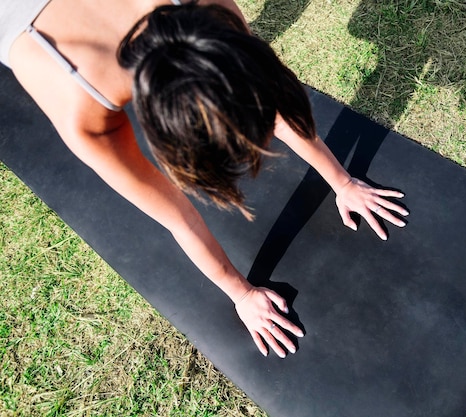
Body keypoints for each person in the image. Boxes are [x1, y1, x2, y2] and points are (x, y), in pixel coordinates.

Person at [3, 0, 408, 358]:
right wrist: (241, 294)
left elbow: (274, 102)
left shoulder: (205, 10)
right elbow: (178, 214)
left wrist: (343, 182)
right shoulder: (80, 106)